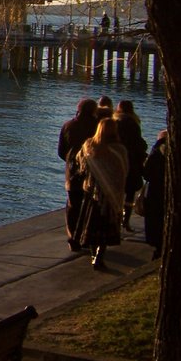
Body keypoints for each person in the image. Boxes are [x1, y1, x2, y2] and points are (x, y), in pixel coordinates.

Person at [71, 116, 128, 269]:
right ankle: (99, 256)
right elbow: (123, 172)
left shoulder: (88, 146)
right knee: (105, 227)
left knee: (91, 226)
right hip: (110, 195)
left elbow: (80, 165)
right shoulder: (119, 150)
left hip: (91, 192)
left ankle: (92, 254)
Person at [58, 98, 99, 251]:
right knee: (89, 205)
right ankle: (86, 236)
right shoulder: (97, 126)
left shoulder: (68, 126)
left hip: (73, 171)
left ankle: (72, 238)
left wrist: (70, 161)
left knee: (72, 205)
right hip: (92, 172)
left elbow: (61, 151)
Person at [113, 99, 148, 231]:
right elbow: (139, 144)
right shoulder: (133, 123)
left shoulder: (114, 122)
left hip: (118, 163)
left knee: (117, 193)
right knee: (129, 193)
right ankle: (125, 220)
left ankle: (115, 220)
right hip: (131, 163)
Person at [142, 129, 168, 260]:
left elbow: (146, 172)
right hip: (166, 192)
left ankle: (156, 246)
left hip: (154, 191)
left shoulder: (156, 152)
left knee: (154, 220)